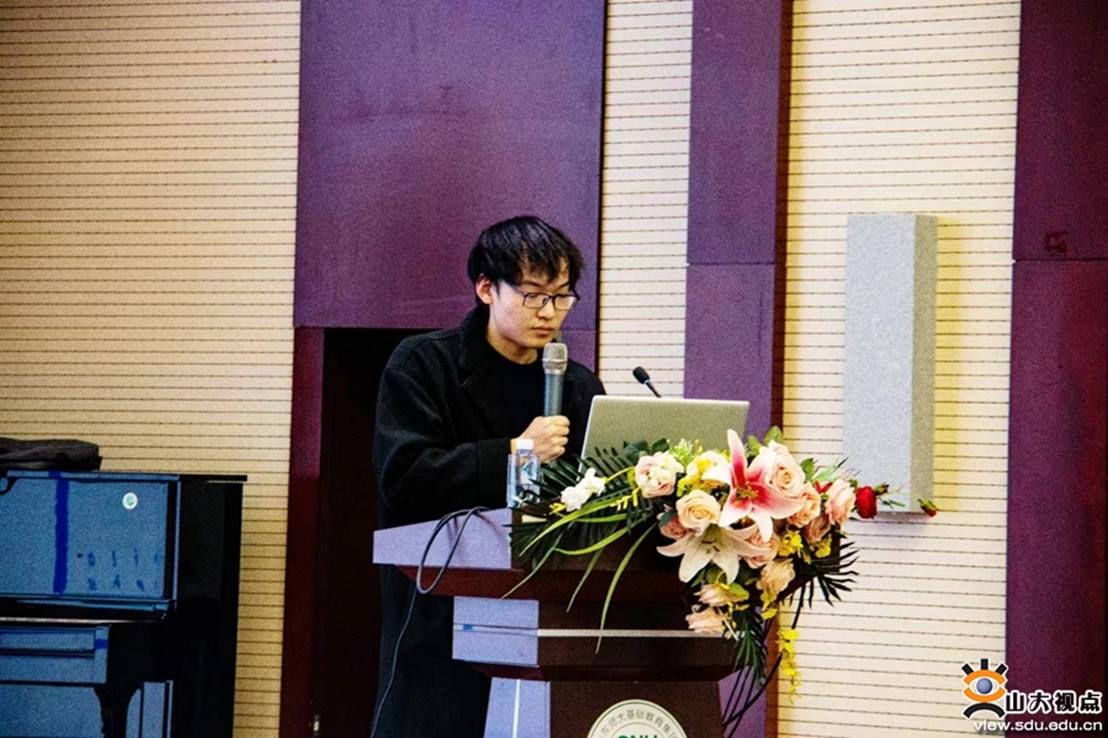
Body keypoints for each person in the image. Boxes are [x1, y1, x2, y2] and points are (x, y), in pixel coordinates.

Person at [372, 215, 605, 737]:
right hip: (442, 622)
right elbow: (404, 478)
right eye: (533, 294)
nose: (549, 312)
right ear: (485, 288)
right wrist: (516, 454)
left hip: (550, 625)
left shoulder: (577, 385)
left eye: (562, 296)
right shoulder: (424, 365)